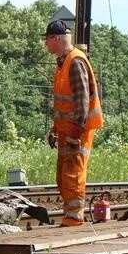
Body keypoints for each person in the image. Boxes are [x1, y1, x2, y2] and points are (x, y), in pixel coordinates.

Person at [43, 19, 103, 227]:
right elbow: (64, 104)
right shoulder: (63, 63)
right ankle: (70, 215)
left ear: (57, 38)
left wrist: (75, 134)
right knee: (63, 176)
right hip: (66, 131)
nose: (46, 44)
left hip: (77, 132)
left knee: (73, 174)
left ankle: (75, 218)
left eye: (47, 39)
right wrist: (55, 128)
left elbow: (82, 102)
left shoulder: (75, 62)